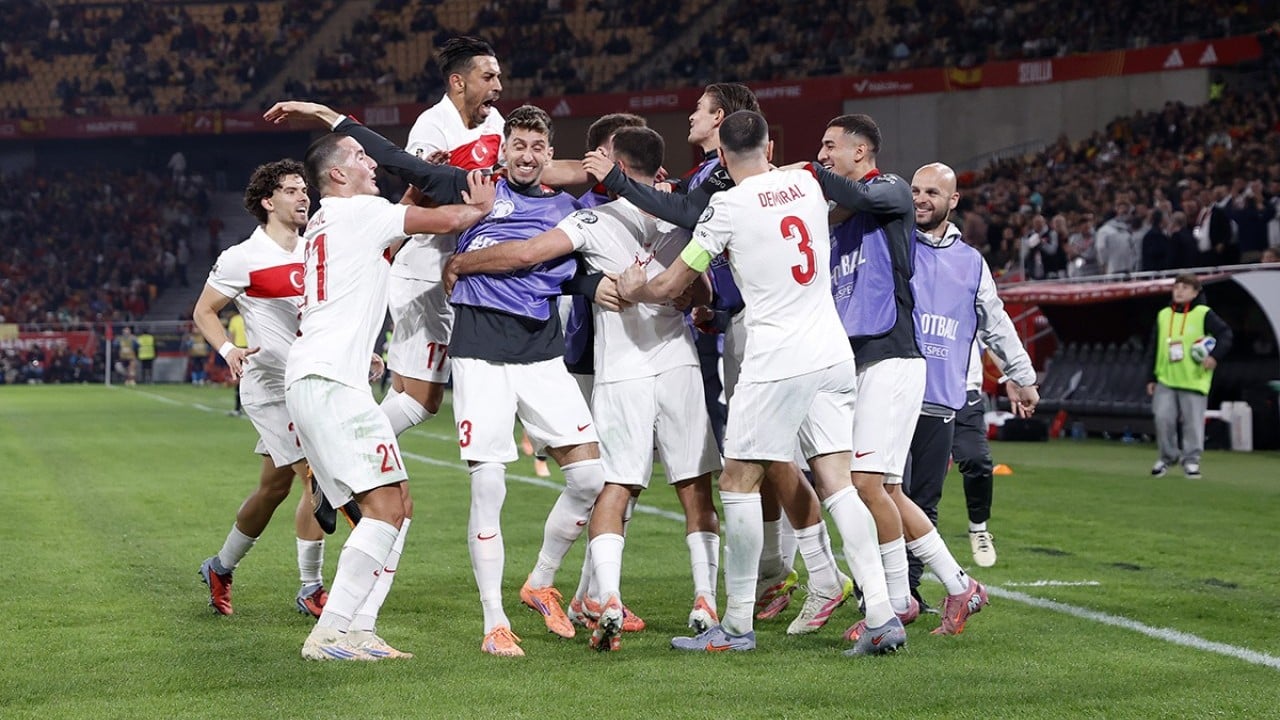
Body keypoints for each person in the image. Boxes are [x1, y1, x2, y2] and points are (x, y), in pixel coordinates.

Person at [618, 110, 903, 656]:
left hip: (777, 359)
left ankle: (736, 625)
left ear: (722, 156)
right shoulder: (808, 183)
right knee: (838, 483)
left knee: (737, 482)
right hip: (831, 353)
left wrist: (636, 288)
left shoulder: (726, 208)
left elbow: (675, 283)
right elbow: (812, 177)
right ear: (770, 148)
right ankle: (883, 614)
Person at [444, 126, 723, 651]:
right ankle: (500, 620)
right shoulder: (683, 216)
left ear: (615, 165)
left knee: (604, 481)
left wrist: (460, 262)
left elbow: (530, 255)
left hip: (591, 363)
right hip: (508, 350)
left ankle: (573, 589)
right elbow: (701, 289)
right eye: (519, 146)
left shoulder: (585, 216)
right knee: (688, 485)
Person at [585, 85, 848, 633]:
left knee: (750, 470)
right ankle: (840, 588)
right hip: (810, 338)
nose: (690, 116)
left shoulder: (723, 192)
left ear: (722, 131)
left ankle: (756, 606)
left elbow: (682, 226)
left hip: (768, 337)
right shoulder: (800, 180)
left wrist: (637, 281)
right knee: (815, 470)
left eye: (700, 110)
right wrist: (714, 301)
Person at [266, 124, 495, 660]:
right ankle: (330, 633)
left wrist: (413, 191)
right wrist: (480, 205)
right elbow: (447, 220)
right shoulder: (361, 213)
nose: (373, 162)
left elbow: (390, 237)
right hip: (332, 385)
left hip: (320, 379)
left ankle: (358, 628)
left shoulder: (328, 221)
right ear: (337, 173)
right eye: (360, 156)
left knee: (398, 504)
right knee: (387, 506)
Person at [801, 114, 989, 638]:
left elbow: (855, 194)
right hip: (861, 361)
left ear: (860, 151)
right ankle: (956, 585)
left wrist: (805, 173)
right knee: (885, 487)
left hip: (893, 356)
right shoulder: (841, 220)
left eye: (830, 145)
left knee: (865, 484)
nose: (822, 154)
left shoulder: (890, 191)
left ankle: (894, 600)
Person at [193, 159, 332, 618]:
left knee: (272, 490)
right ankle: (311, 588)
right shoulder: (243, 257)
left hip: (310, 380)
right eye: (292, 190)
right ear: (268, 202)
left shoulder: (315, 250)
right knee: (316, 475)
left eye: (304, 189)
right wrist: (228, 349)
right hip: (270, 386)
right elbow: (204, 311)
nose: (303, 196)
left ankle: (220, 566)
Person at [901, 163, 1038, 596]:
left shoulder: (971, 262)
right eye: (915, 191)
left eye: (932, 193)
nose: (920, 199)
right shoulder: (894, 243)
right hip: (892, 391)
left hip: (943, 397)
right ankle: (879, 590)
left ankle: (908, 592)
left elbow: (996, 323)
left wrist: (1022, 375)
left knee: (924, 501)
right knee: (884, 495)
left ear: (953, 200)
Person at [382, 37, 505, 444]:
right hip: (425, 275)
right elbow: (419, 198)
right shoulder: (431, 127)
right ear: (458, 82)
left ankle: (362, 466)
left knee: (404, 391)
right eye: (488, 77)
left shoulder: (495, 121)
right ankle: (345, 448)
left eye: (498, 77)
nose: (498, 85)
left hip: (453, 273)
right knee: (424, 400)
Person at [1146, 274, 1233, 479]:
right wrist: (1150, 377)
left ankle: (1191, 461)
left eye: (1185, 288)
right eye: (1177, 287)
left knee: (1193, 424)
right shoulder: (1163, 314)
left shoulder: (1203, 313)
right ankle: (1167, 457)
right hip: (1166, 378)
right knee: (1162, 419)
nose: (1179, 291)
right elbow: (1153, 347)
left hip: (1194, 378)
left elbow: (1225, 335)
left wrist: (1214, 356)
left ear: (1195, 293)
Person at [227, 311, 248, 416]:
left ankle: (237, 408)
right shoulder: (249, 317)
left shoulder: (234, 320)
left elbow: (231, 337)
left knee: (239, 379)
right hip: (250, 349)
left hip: (238, 350)